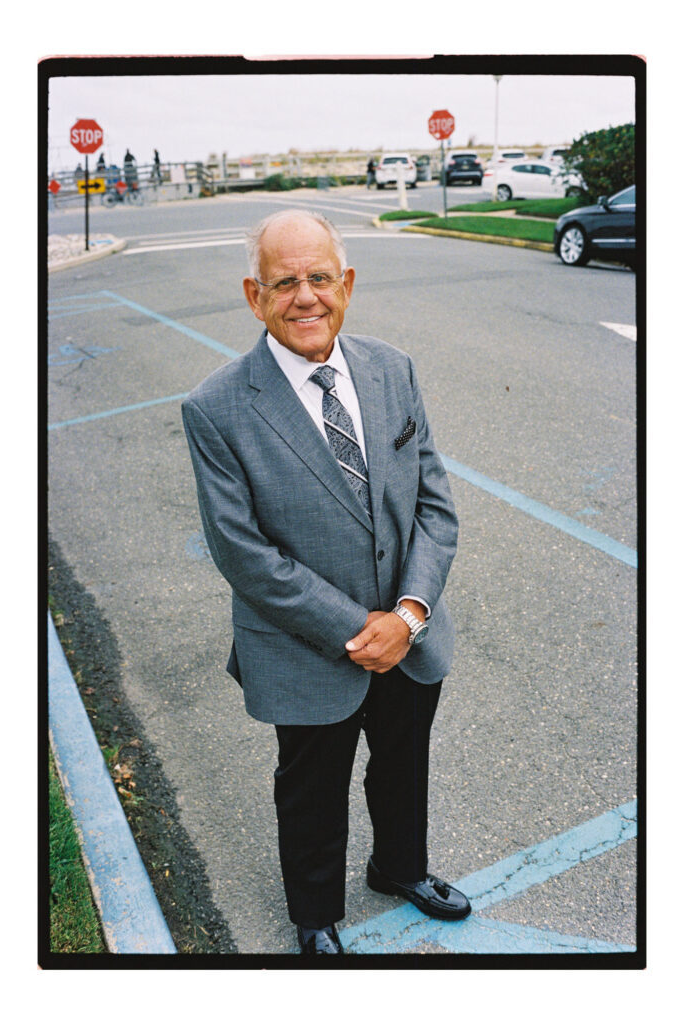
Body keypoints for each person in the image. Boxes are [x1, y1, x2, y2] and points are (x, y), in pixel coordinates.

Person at [182, 209, 471, 955]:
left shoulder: (392, 368)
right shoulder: (215, 408)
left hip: (409, 632)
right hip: (305, 646)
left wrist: (407, 615)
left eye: (319, 277)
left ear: (346, 284)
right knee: (311, 788)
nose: (305, 296)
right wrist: (357, 629)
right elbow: (243, 553)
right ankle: (315, 914)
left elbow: (434, 504)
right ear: (254, 297)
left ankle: (400, 867)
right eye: (284, 283)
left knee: (404, 762)